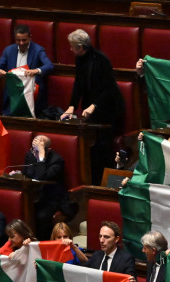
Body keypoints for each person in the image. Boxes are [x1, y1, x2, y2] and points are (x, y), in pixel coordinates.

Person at [61, 29, 123, 182]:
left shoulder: (102, 61)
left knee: (103, 149)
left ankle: (104, 185)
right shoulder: (80, 59)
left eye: (72, 46)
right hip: (92, 109)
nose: (70, 49)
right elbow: (79, 84)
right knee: (91, 149)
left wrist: (94, 106)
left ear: (80, 47)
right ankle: (92, 181)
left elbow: (109, 89)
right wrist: (71, 106)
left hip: (108, 109)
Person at [0, 24, 55, 113]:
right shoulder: (9, 50)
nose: (21, 43)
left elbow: (49, 66)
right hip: (12, 96)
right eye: (18, 40)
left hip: (32, 96)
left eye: (24, 40)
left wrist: (36, 71)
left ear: (30, 37)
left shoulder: (38, 50)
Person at [24, 135, 74, 241]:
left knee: (40, 216)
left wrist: (41, 158)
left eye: (38, 150)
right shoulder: (30, 155)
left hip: (52, 199)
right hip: (33, 197)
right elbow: (27, 174)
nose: (34, 153)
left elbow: (42, 178)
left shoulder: (57, 160)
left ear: (48, 150)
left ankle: (41, 243)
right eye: (33, 149)